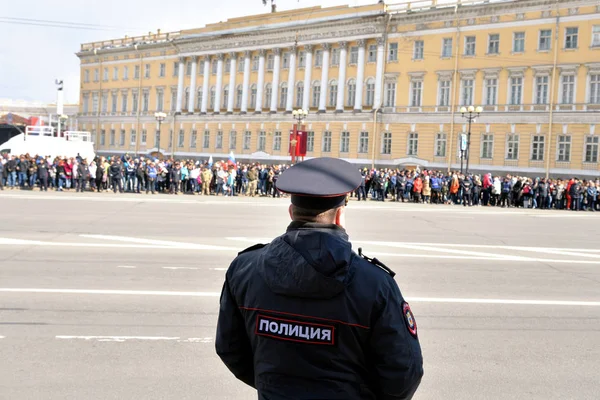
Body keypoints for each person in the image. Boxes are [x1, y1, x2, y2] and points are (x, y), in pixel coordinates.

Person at [215, 157, 423, 400]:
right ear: (339, 216)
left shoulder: (244, 269)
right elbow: (403, 373)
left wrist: (276, 386)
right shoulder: (375, 284)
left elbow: (230, 349)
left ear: (292, 211)